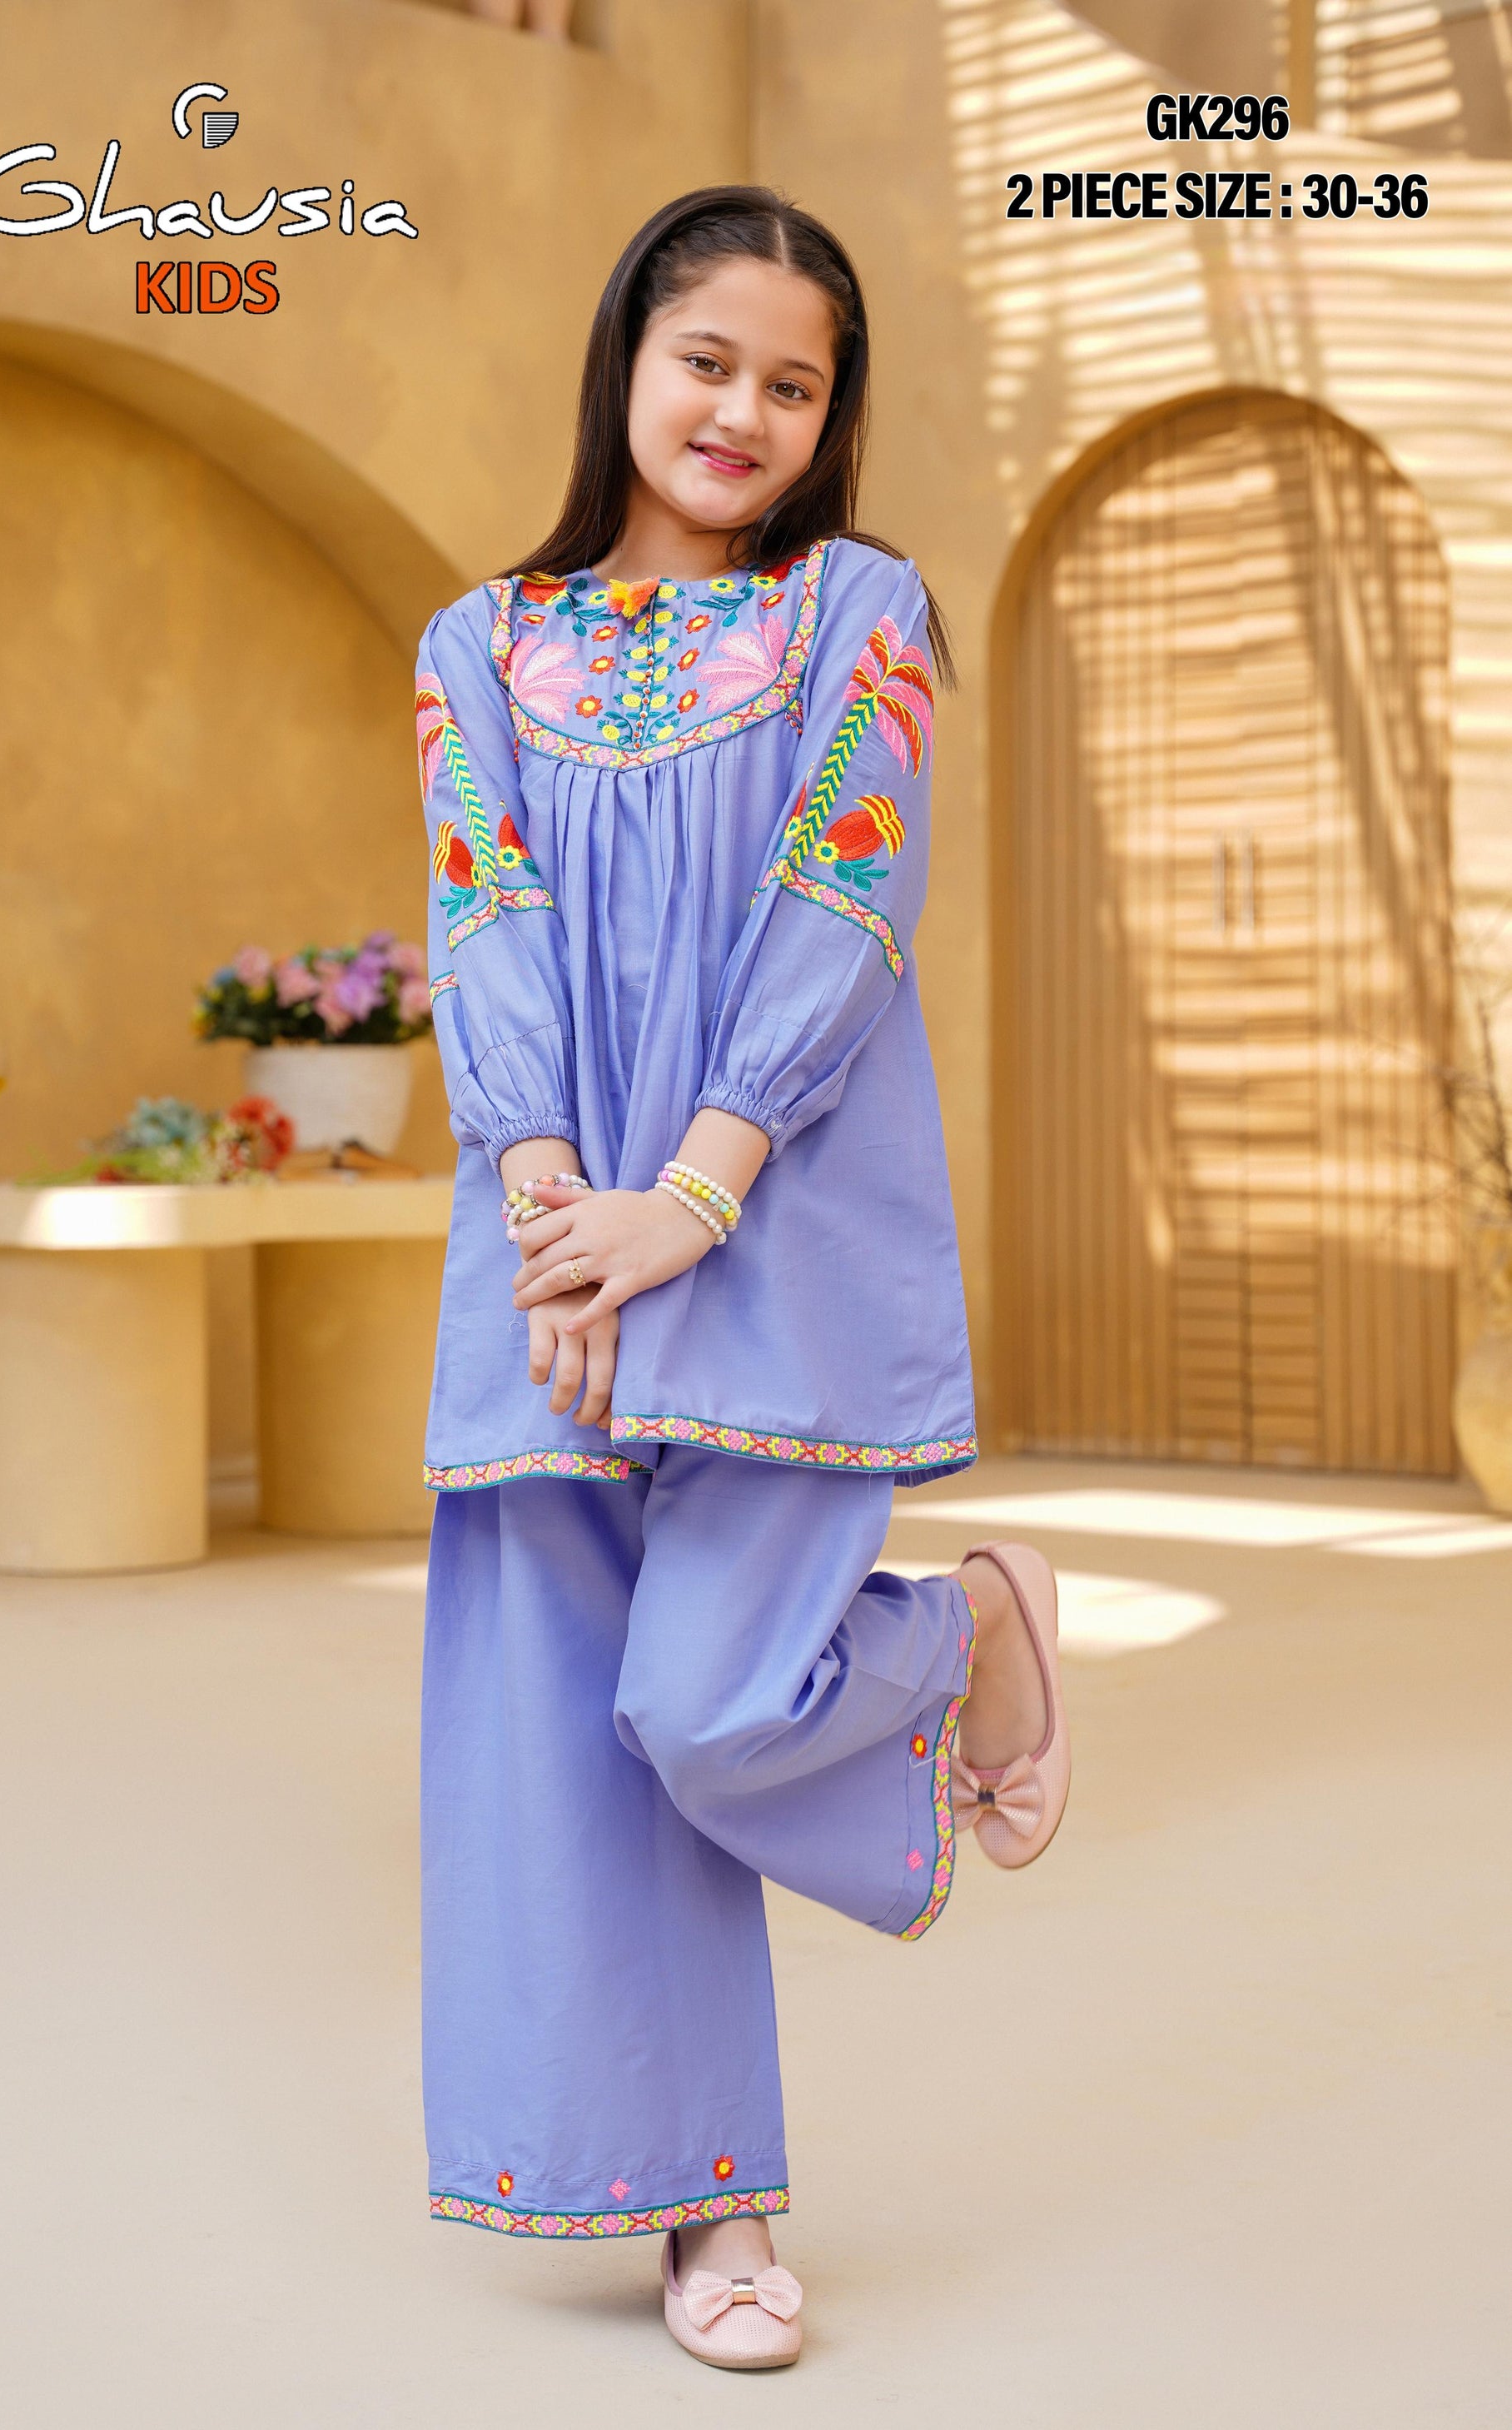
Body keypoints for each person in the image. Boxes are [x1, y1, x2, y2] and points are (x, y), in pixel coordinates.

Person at [413, 183, 1070, 2373]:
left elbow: (841, 905)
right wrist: (557, 1223)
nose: (744, 412)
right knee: (564, 1758)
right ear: (627, 357)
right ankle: (708, 2211)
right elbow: (483, 921)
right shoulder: (475, 645)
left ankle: (969, 1628)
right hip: (553, 1258)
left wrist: (681, 1208)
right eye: (708, 361)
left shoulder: (858, 612)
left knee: (704, 1707)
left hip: (776, 1237)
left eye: (795, 384)